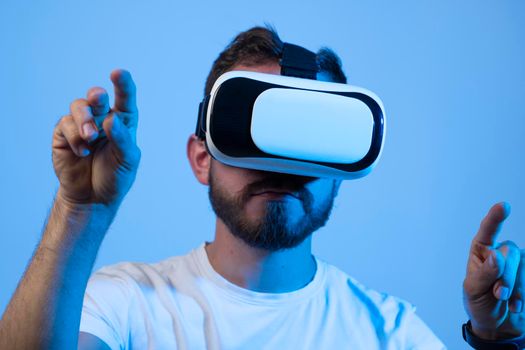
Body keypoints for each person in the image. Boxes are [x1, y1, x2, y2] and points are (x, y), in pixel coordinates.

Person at [0, 26, 522, 350]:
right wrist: (77, 211)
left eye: (311, 139)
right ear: (202, 158)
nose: (280, 165)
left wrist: (497, 342)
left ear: (340, 168)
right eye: (251, 134)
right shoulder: (125, 305)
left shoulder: (390, 334)